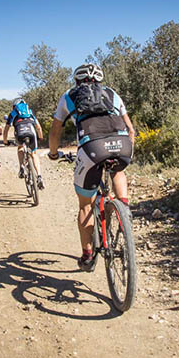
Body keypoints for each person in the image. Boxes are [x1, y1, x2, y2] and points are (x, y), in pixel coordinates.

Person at [48, 63, 135, 271]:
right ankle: (124, 210)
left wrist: (53, 153)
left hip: (92, 147)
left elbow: (55, 130)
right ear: (99, 80)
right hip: (122, 144)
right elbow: (130, 129)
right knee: (118, 169)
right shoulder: (112, 93)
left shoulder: (69, 95)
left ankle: (87, 255)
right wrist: (128, 150)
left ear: (77, 80)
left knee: (86, 204)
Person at [3, 99, 45, 190]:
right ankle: (39, 176)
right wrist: (40, 137)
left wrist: (5, 141)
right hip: (32, 132)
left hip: (20, 132)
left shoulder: (13, 113)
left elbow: (6, 129)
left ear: (14, 106)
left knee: (20, 148)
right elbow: (38, 127)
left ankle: (22, 166)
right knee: (34, 154)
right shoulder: (30, 112)